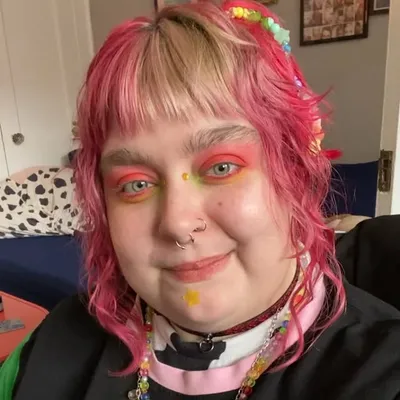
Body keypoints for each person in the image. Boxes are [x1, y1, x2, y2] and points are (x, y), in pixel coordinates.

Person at [1, 1, 400, 399]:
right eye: (135, 184)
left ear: (294, 172)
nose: (177, 222)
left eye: (222, 167)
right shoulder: (50, 345)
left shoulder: (380, 371)